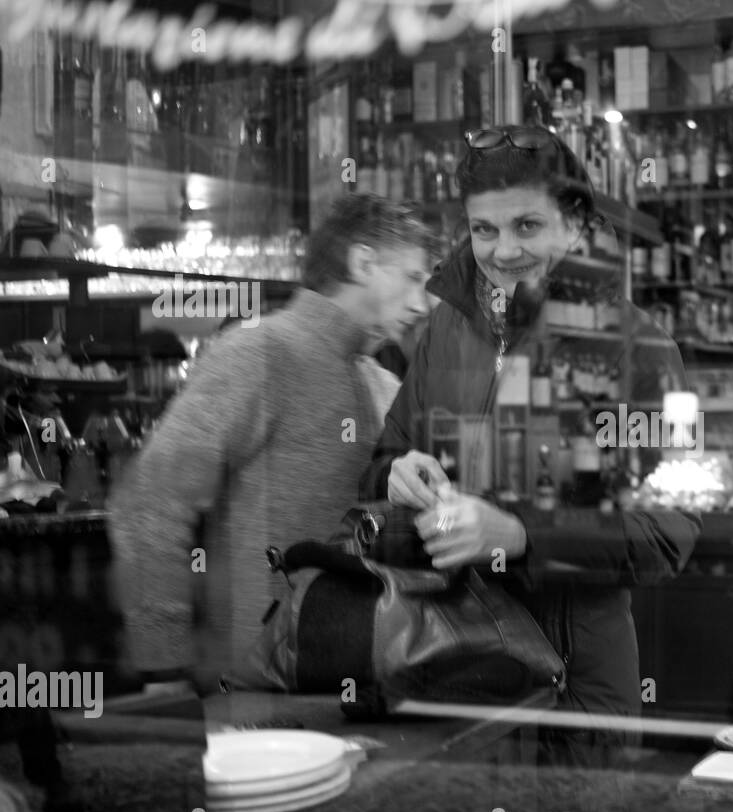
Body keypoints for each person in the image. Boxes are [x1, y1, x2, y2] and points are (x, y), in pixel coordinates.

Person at [359, 126, 700, 767]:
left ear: (574, 225)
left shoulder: (640, 348)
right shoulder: (442, 331)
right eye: (484, 230)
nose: (502, 251)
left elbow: (669, 532)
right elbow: (379, 463)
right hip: (450, 679)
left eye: (526, 227)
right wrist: (397, 474)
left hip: (571, 697)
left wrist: (521, 536)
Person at [109, 194, 432, 690]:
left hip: (362, 687)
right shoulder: (260, 352)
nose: (421, 301)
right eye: (412, 277)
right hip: (258, 700)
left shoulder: (383, 384)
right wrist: (164, 667)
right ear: (362, 262)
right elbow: (149, 505)